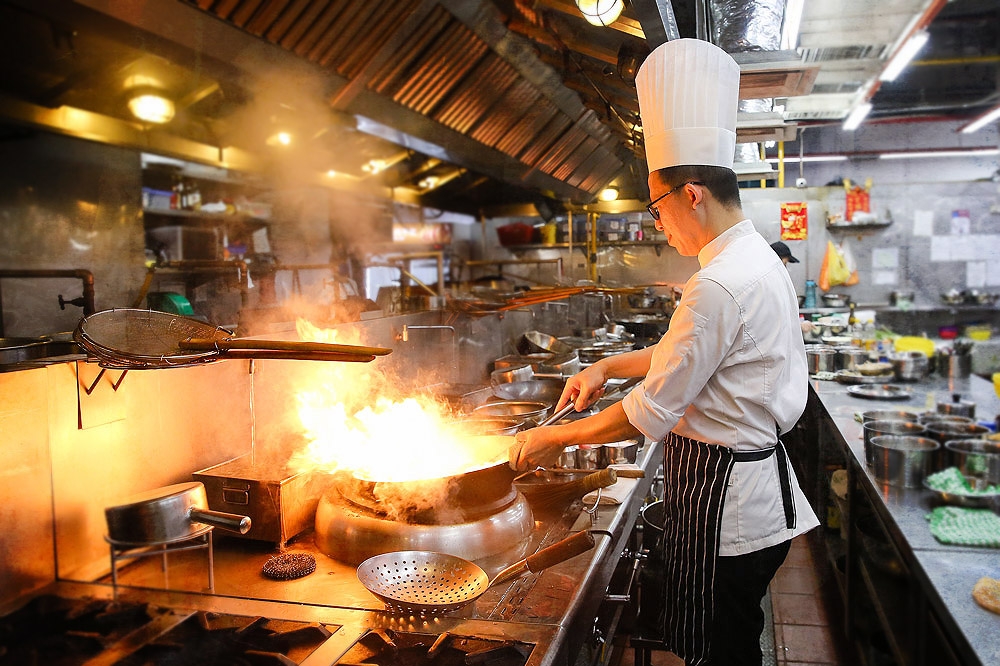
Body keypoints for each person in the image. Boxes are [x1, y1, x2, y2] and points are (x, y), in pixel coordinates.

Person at [508, 38, 819, 666]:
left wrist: (550, 441)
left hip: (727, 511)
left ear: (693, 194)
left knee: (720, 656)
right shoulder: (751, 258)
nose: (657, 222)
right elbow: (687, 356)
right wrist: (605, 365)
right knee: (723, 647)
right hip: (745, 494)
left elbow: (644, 413)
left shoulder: (718, 284)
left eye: (657, 205)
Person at [770, 241, 816, 335]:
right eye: (785, 263)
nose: (785, 268)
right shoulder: (769, 283)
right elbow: (772, 321)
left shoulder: (776, 280)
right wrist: (799, 326)